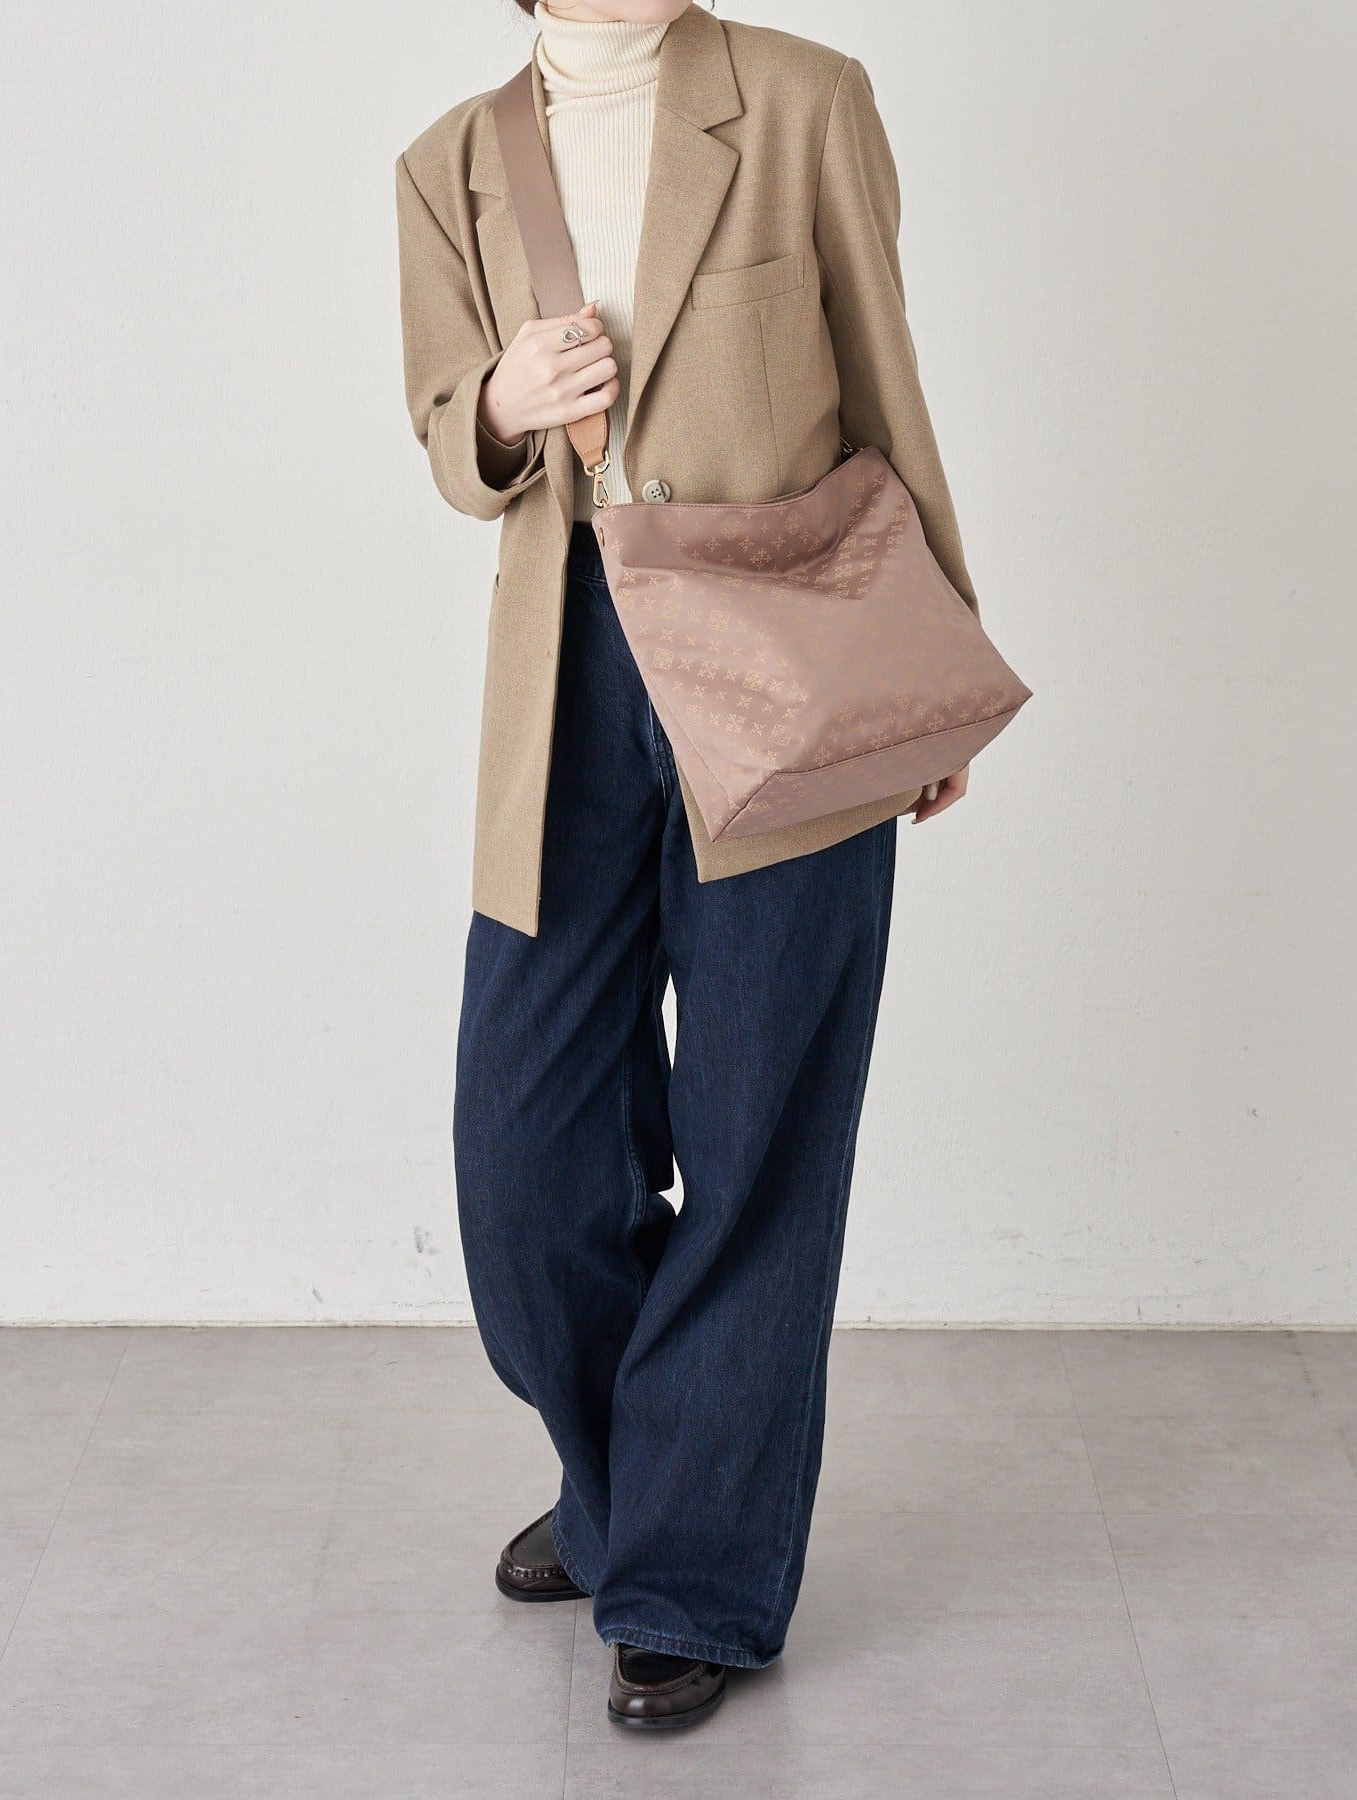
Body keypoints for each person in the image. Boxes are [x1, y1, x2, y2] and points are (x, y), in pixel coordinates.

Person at [396, 0, 980, 1731]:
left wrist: (935, 664)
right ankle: (627, 1492)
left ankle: (692, 1576)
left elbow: (885, 380)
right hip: (568, 671)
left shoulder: (803, 99)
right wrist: (499, 405)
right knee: (522, 1157)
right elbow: (445, 434)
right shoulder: (449, 163)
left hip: (789, 652)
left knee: (757, 1129)